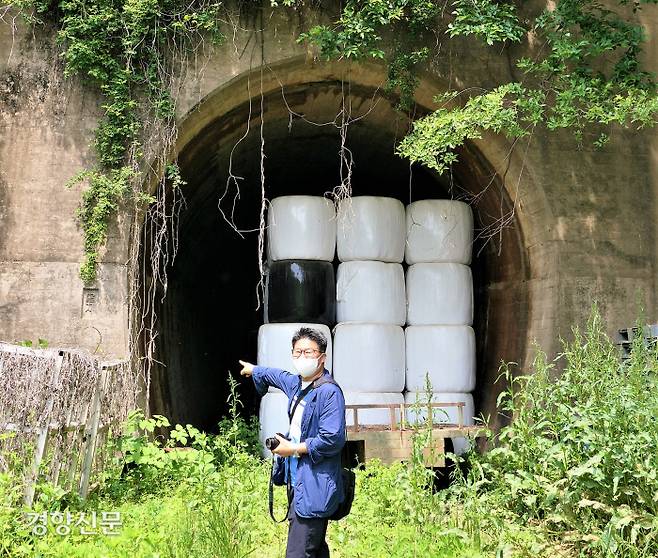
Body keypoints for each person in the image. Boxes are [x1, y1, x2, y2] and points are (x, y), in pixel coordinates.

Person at [239, 327, 346, 558]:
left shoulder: (329, 393)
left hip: (315, 484)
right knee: (313, 547)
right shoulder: (297, 385)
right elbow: (275, 375)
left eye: (308, 352)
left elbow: (333, 438)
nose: (302, 358)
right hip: (298, 481)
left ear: (322, 357)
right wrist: (255, 370)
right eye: (297, 352)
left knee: (299, 552)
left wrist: (293, 449)